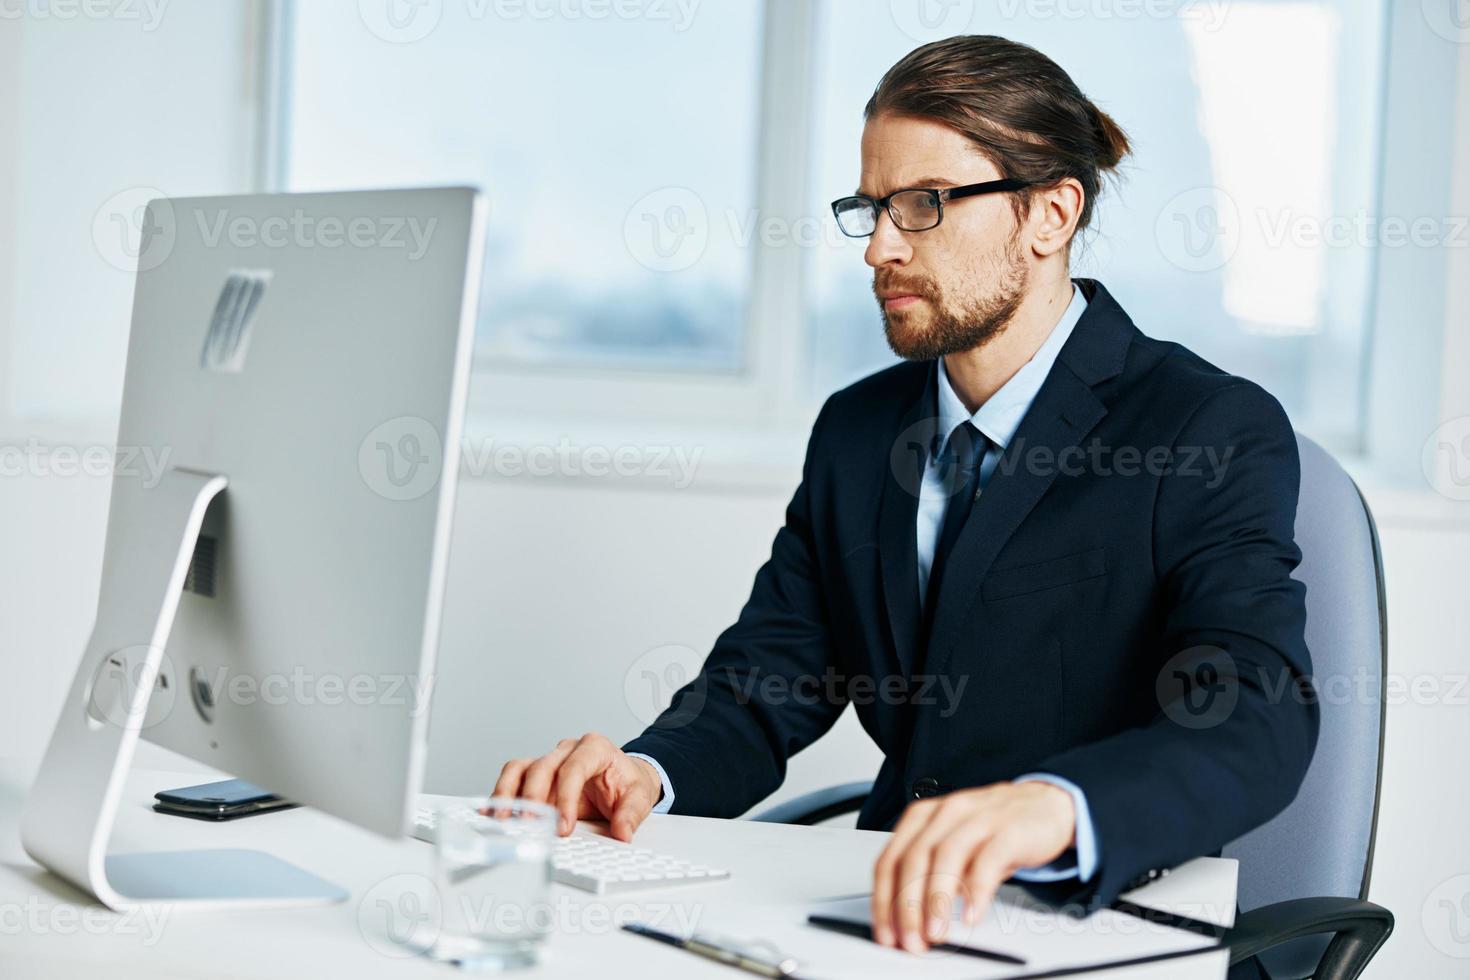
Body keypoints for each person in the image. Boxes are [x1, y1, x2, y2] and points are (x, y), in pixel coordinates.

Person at [492, 35, 1316, 972]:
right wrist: (644, 774)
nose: (882, 246)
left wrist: (1058, 804)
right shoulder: (858, 430)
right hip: (880, 913)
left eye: (925, 205)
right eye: (873, 207)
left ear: (1050, 214)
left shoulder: (1203, 426)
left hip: (1089, 923)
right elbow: (769, 682)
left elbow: (1255, 714)